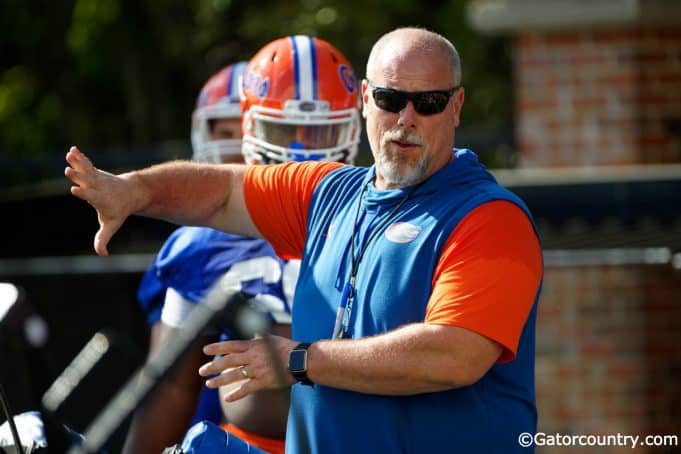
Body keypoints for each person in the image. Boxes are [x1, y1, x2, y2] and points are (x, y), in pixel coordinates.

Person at [65, 27, 543, 453]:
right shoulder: (329, 192)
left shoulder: (489, 218)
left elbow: (453, 357)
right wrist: (135, 190)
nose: (407, 118)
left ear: (456, 105)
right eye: (391, 99)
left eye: (430, 102)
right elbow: (221, 191)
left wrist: (299, 360)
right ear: (364, 99)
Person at [122, 35, 362, 454]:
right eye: (284, 130)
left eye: (320, 130)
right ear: (253, 127)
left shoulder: (388, 222)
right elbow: (170, 386)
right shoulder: (205, 242)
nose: (302, 150)